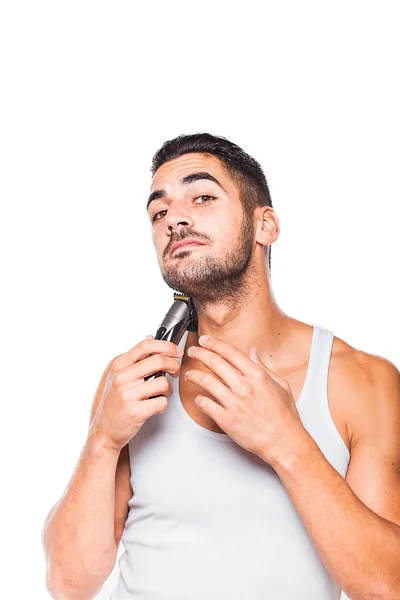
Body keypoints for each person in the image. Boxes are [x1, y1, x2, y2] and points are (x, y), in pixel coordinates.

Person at [42, 133, 400, 600]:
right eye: (159, 212)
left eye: (203, 197)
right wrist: (103, 440)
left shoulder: (360, 381)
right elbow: (68, 585)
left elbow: (387, 585)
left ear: (265, 225)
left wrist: (287, 443)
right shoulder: (134, 379)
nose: (175, 219)